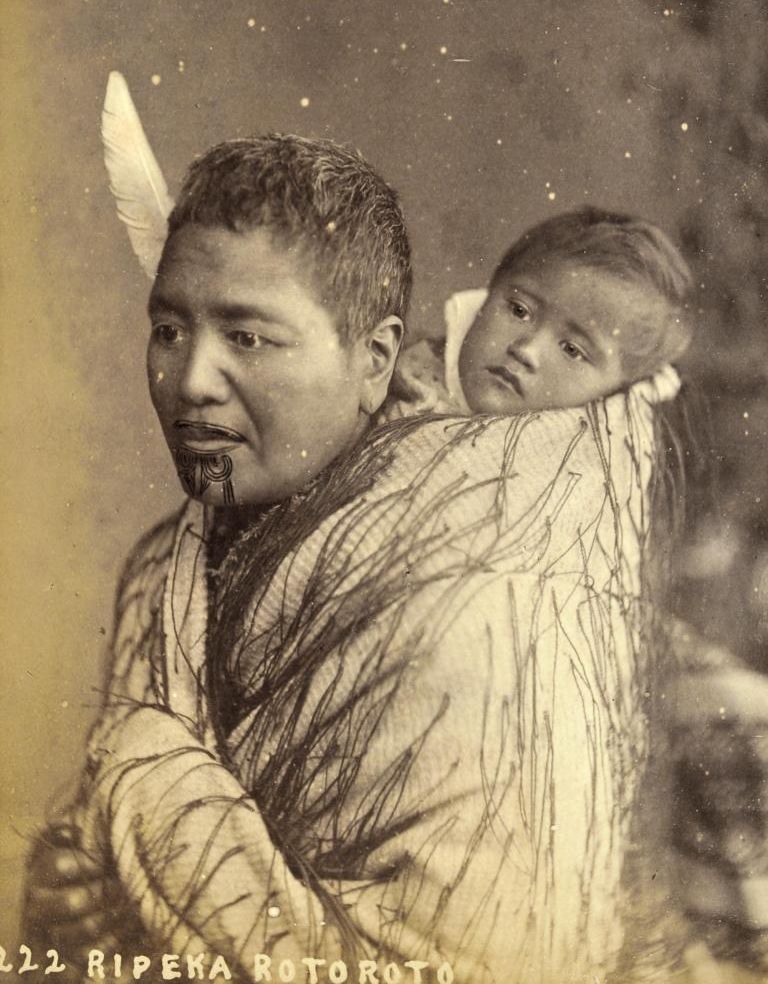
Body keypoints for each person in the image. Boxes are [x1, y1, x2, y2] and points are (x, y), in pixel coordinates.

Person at [21, 102, 749, 983]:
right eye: (170, 330)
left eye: (248, 336)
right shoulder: (165, 564)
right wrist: (79, 879)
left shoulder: (493, 590)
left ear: (375, 359)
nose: (192, 381)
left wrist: (146, 783)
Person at [382, 206, 692, 422]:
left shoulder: (576, 464)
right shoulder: (401, 382)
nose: (525, 350)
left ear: (614, 394)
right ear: (487, 294)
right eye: (519, 311)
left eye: (572, 349)